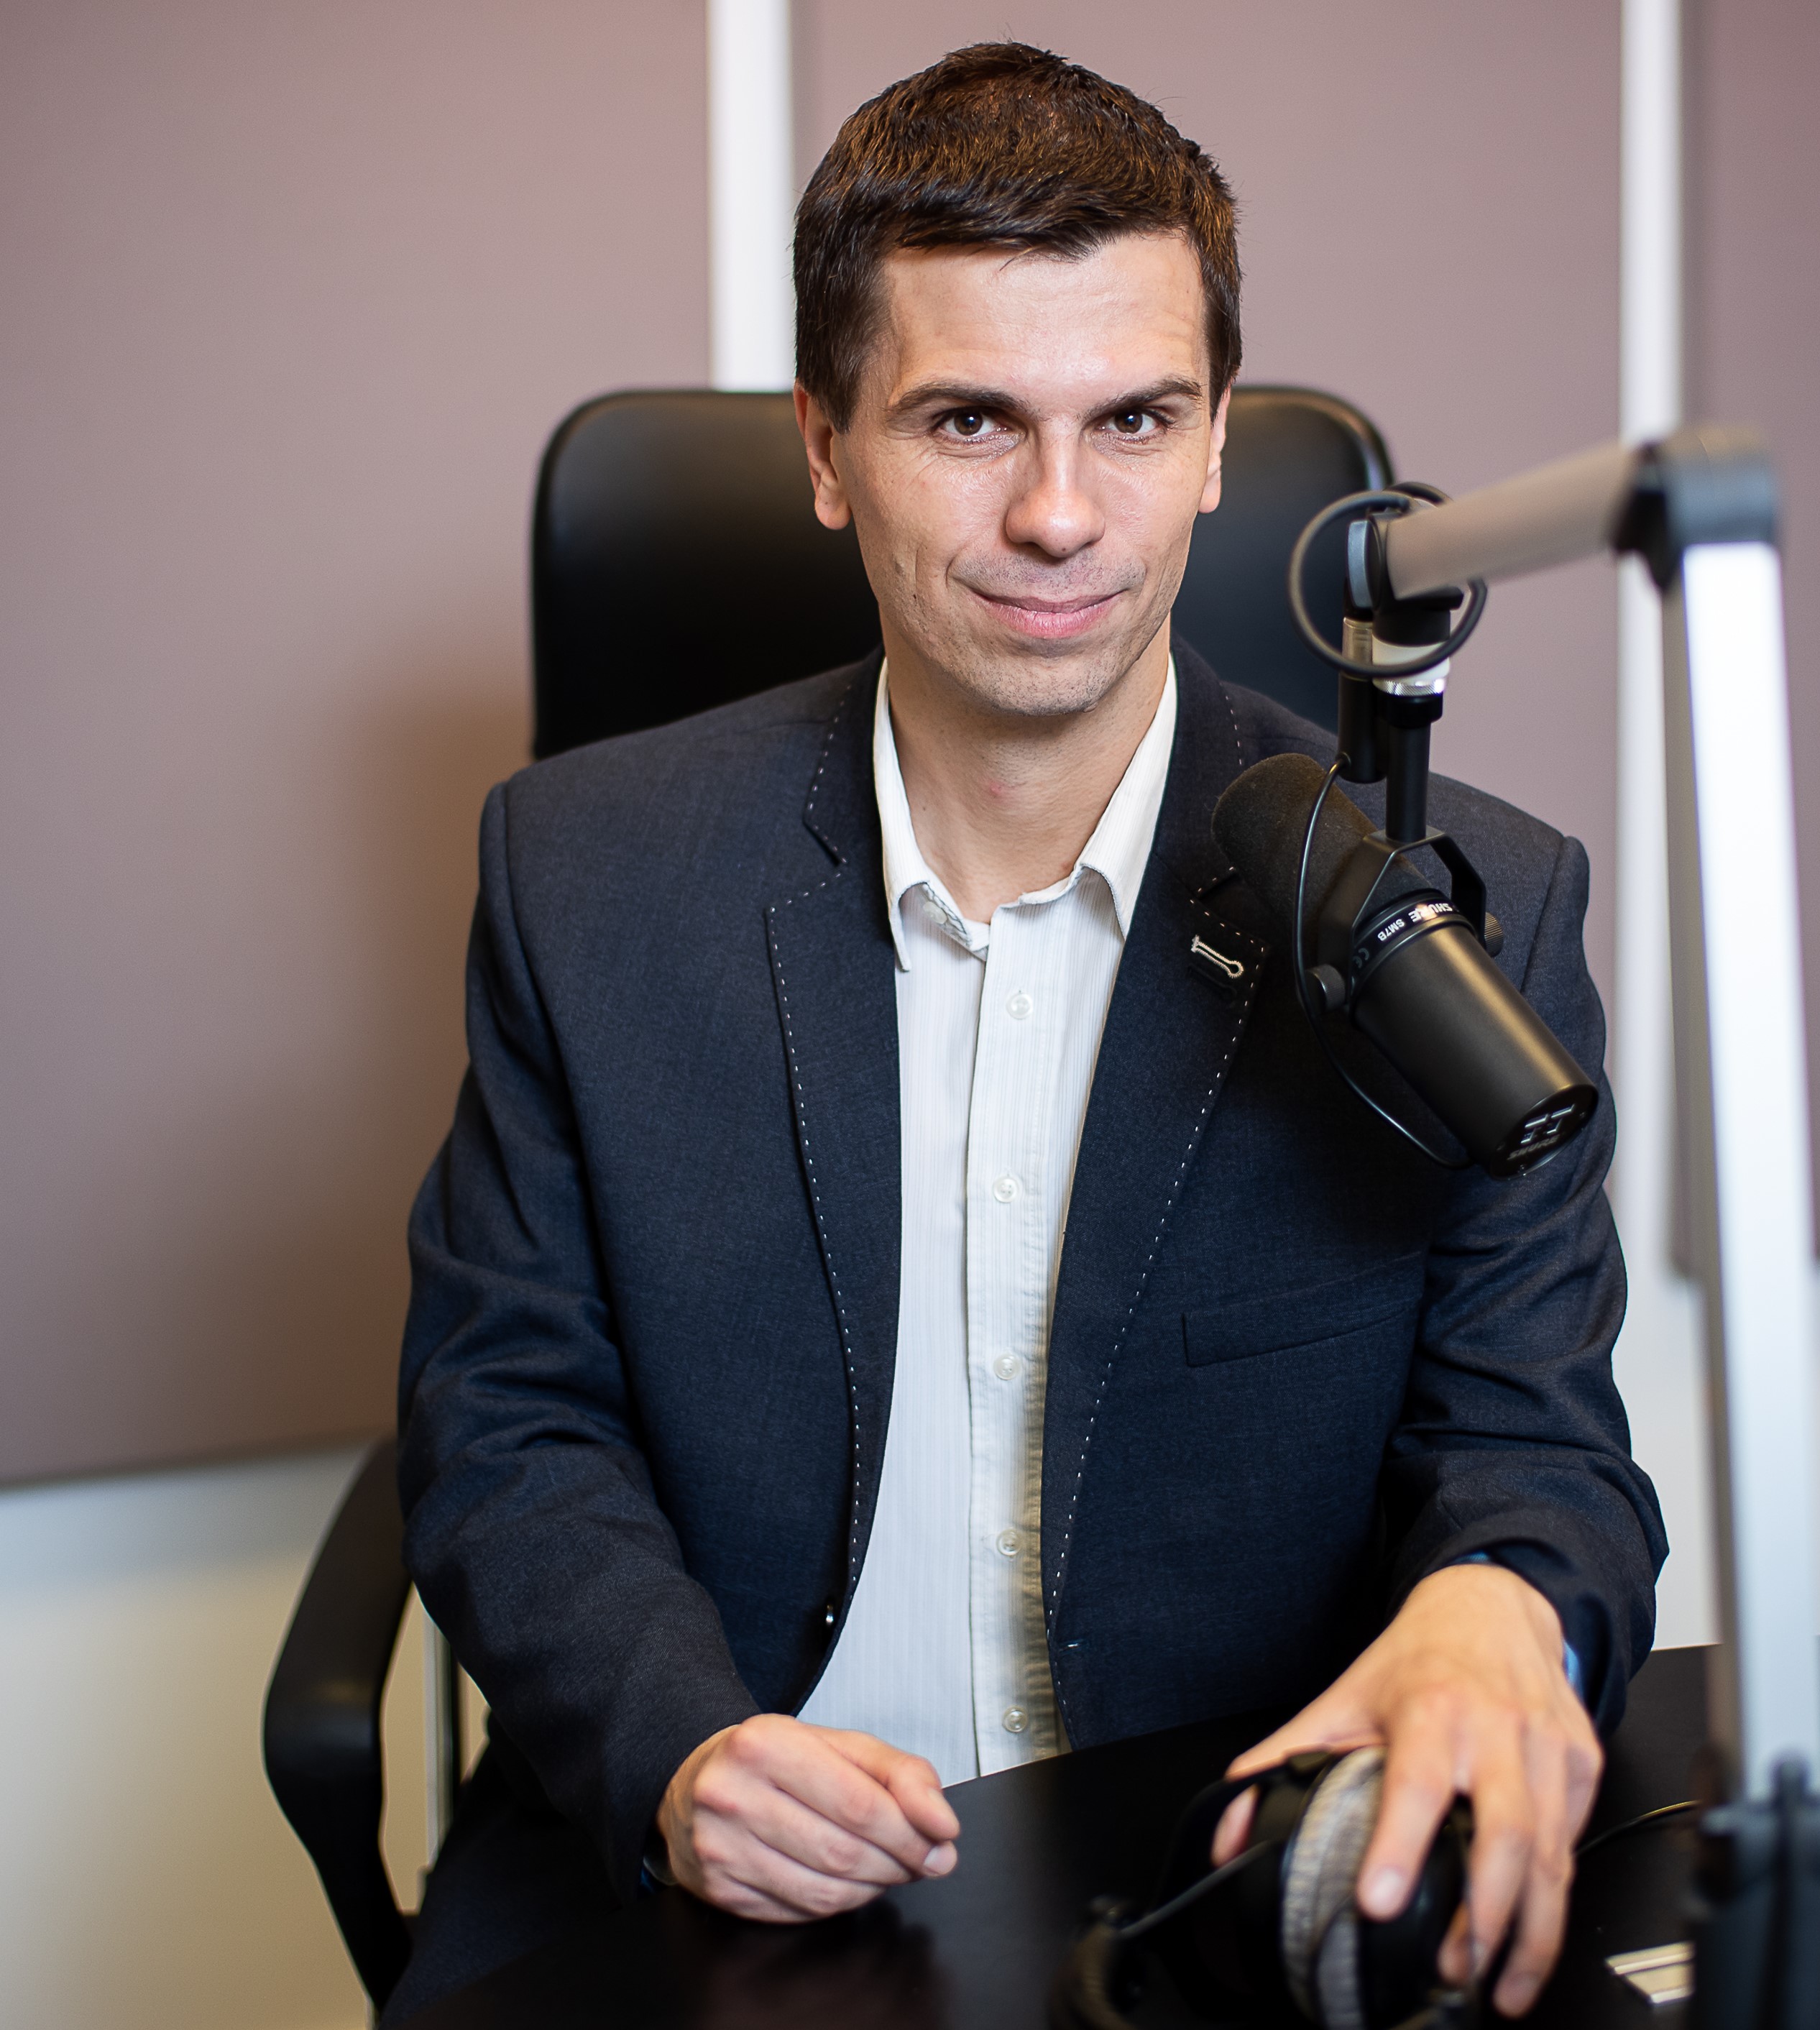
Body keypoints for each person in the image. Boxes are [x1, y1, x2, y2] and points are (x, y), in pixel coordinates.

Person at [389, 42, 1665, 2025]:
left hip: (1205, 1876)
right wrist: (679, 1753)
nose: (1062, 516)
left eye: (1135, 418)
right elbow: (505, 1415)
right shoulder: (588, 877)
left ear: (1218, 439)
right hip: (718, 1877)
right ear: (828, 450)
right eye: (969, 419)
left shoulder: (1454, 912)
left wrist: (1501, 1610)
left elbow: (1535, 1446)